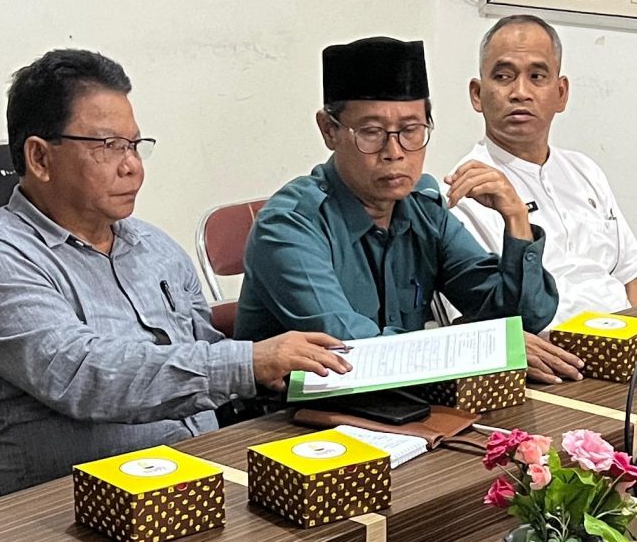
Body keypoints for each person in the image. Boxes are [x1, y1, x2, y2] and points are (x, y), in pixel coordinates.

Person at [0, 49, 350, 494]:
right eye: (108, 146)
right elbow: (84, 375)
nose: (132, 166)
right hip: (78, 507)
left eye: (135, 145)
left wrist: (282, 371)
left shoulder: (154, 247)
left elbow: (203, 353)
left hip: (203, 477)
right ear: (40, 158)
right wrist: (247, 362)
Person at [236, 36, 573, 382]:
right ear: (329, 131)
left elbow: (522, 321)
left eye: (411, 130)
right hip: (296, 410)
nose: (395, 152)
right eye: (371, 132)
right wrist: (480, 345)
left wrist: (516, 218)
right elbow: (350, 352)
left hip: (408, 400)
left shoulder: (423, 210)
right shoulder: (289, 225)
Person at [449, 14, 637, 315]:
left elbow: (632, 285)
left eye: (537, 76)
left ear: (561, 93)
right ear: (477, 95)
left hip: (624, 334)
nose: (520, 92)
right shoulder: (469, 191)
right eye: (503, 76)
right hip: (550, 341)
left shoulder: (585, 172)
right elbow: (487, 323)